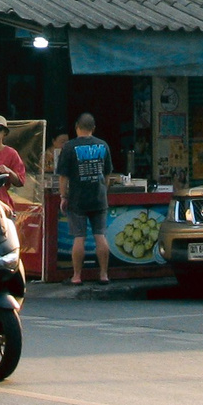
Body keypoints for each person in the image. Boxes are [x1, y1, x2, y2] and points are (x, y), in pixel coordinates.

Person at [56, 113, 114, 284]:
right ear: (93, 128)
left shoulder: (69, 147)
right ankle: (104, 275)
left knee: (79, 237)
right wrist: (104, 190)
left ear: (76, 127)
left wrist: (63, 196)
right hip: (98, 197)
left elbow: (63, 177)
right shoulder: (103, 145)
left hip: (77, 199)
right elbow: (108, 174)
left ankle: (76, 276)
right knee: (100, 236)